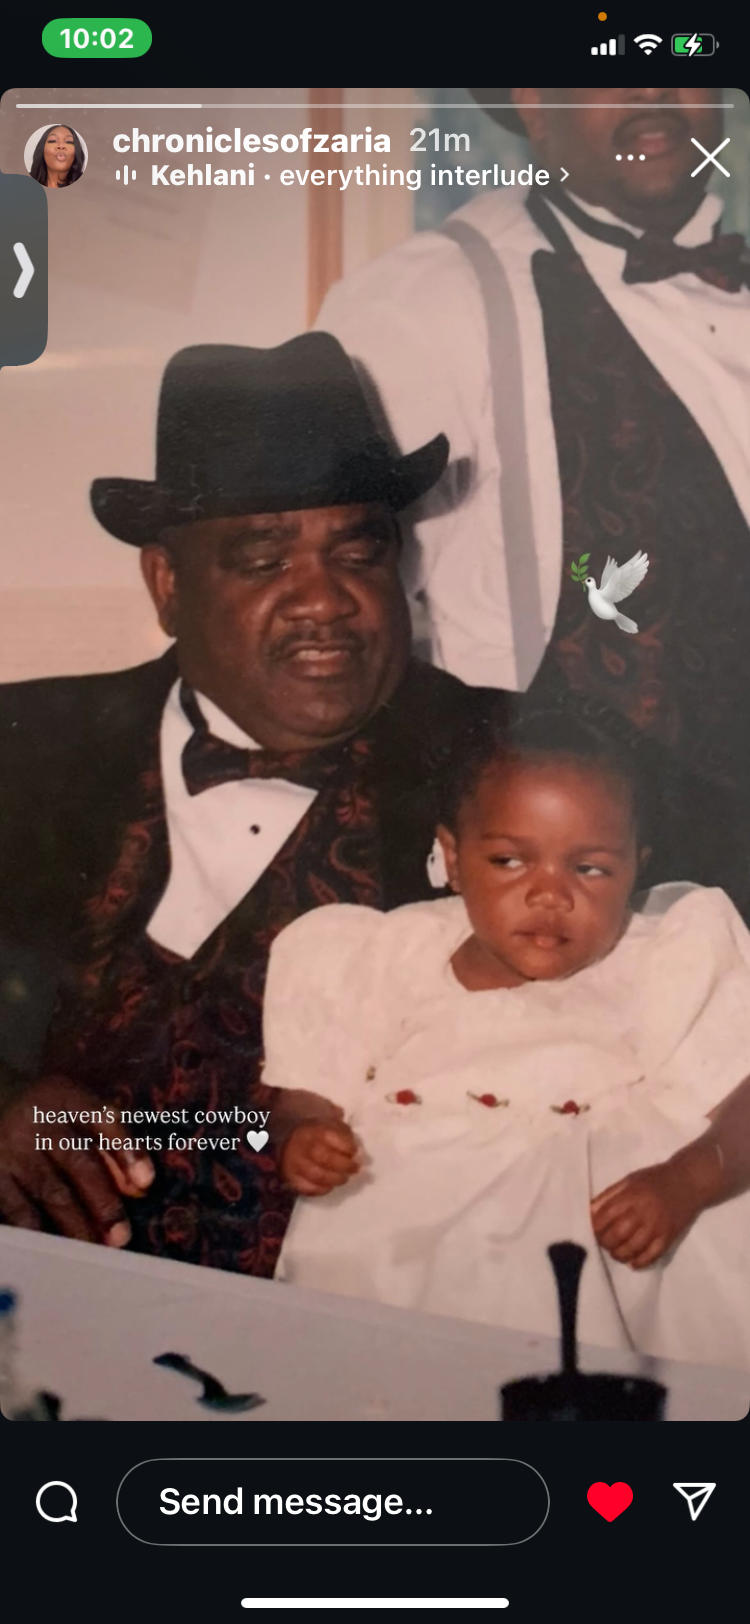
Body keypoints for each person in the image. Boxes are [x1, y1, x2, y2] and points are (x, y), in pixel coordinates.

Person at [0, 335, 475, 1278]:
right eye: (262, 558)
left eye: (356, 549)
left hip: (377, 1341)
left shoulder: (513, 757)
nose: (324, 601)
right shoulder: (23, 745)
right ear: (168, 585)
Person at [319, 87, 750, 908]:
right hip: (579, 892)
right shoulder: (426, 298)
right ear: (530, 100)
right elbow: (350, 598)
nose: (652, 85)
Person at [264, 695, 750, 1368]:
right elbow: (304, 1097)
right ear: (453, 857)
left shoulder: (660, 962)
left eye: (590, 868)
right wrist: (302, 1139)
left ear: (637, 867)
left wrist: (686, 1181)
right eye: (510, 862)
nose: (550, 894)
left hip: (590, 1272)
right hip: (401, 1254)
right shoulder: (382, 958)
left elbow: (740, 1100)